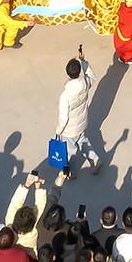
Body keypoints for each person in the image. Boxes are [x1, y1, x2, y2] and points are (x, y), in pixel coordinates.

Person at [53, 51, 103, 179]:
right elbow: (91, 75)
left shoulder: (65, 96)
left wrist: (59, 131)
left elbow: (63, 118)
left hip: (69, 129)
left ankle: (71, 173)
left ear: (67, 73)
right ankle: (95, 160)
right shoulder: (85, 83)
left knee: (70, 152)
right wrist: (83, 60)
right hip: (82, 122)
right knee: (83, 141)